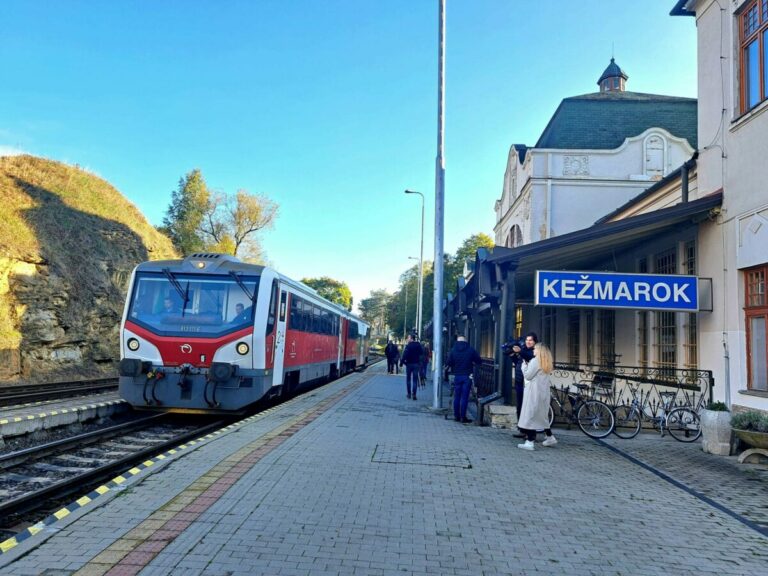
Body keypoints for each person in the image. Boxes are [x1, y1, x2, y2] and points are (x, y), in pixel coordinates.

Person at [517, 343, 557, 451]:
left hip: (533, 392)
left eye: (535, 349)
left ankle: (530, 442)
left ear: (539, 351)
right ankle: (550, 437)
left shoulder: (536, 361)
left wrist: (524, 365)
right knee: (542, 416)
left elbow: (528, 375)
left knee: (531, 415)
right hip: (543, 392)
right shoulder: (547, 362)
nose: (533, 350)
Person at [507, 332, 538, 438]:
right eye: (527, 340)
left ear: (534, 342)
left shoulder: (535, 351)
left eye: (530, 340)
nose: (528, 342)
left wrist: (520, 351)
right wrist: (512, 356)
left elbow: (530, 357)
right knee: (520, 406)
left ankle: (530, 433)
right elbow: (518, 363)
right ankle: (522, 430)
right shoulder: (523, 349)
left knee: (528, 408)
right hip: (520, 381)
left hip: (529, 383)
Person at [447, 335, 482, 423]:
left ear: (457, 341)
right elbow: (478, 360)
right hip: (467, 375)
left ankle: (456, 416)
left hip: (457, 375)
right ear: (465, 341)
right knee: (464, 397)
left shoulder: (453, 350)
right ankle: (463, 417)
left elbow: (449, 362)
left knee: (457, 396)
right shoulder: (470, 350)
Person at [399, 334, 423, 400]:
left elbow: (404, 355)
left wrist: (401, 363)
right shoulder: (418, 345)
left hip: (409, 364)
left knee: (408, 379)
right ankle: (414, 394)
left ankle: (409, 394)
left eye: (408, 337)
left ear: (411, 338)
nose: (407, 339)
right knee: (415, 380)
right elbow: (421, 353)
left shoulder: (408, 346)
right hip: (416, 364)